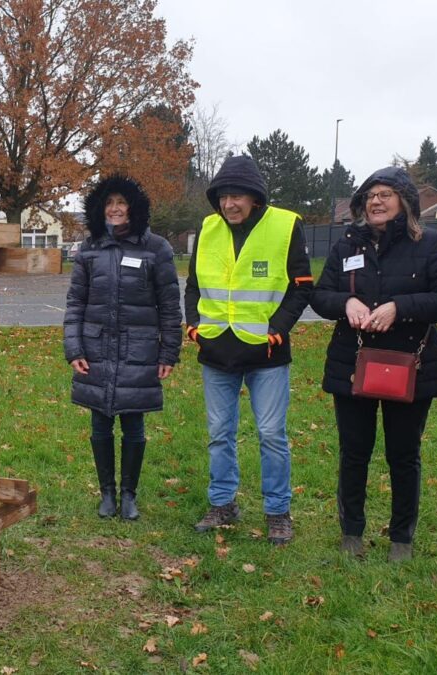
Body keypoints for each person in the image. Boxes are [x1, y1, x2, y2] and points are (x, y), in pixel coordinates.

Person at [311, 167, 437, 562]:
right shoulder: (347, 245)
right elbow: (321, 295)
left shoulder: (431, 245)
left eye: (385, 194)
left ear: (405, 202)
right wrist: (345, 303)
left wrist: (401, 308)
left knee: (403, 454)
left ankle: (402, 538)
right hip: (353, 363)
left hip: (410, 365)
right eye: (370, 196)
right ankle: (351, 532)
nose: (376, 202)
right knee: (354, 452)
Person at [185, 155, 313, 546]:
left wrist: (278, 329)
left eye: (236, 196)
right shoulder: (208, 228)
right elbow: (193, 285)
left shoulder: (286, 225)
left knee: (271, 434)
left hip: (266, 354)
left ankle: (278, 512)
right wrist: (193, 325)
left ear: (255, 197)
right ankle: (222, 504)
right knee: (219, 434)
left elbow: (302, 285)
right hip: (216, 351)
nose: (228, 205)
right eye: (223, 197)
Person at [64, 174, 182, 521]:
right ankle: (107, 494)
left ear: (133, 207)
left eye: (121, 202)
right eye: (109, 203)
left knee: (133, 425)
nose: (115, 209)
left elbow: (170, 306)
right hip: (96, 350)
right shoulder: (89, 249)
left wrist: (168, 351)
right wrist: (74, 348)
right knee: (100, 423)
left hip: (139, 351)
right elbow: (75, 303)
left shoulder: (155, 248)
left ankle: (129, 494)